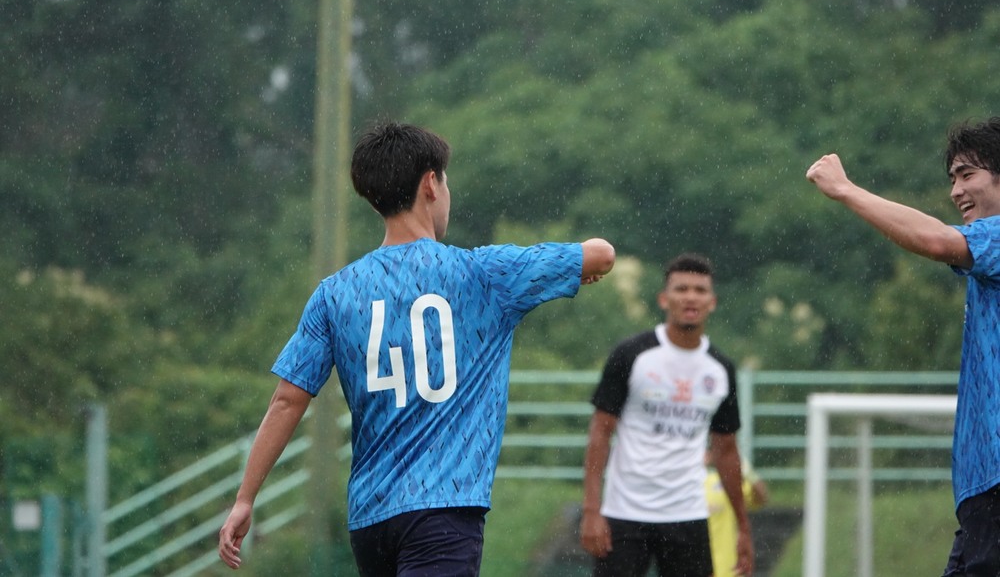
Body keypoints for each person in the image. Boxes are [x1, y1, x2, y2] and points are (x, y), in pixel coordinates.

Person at [217, 121, 616, 575]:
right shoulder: (485, 274)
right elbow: (601, 254)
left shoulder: (335, 293)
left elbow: (287, 400)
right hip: (444, 513)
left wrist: (245, 498)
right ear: (431, 183)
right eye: (445, 182)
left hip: (371, 520)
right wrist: (563, 269)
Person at [806, 117, 1000, 577]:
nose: (956, 190)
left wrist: (846, 190)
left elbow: (935, 239)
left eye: (968, 174)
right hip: (982, 493)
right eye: (952, 178)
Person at [580, 253, 754, 577]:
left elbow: (726, 451)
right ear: (664, 298)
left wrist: (743, 527)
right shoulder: (632, 354)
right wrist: (592, 509)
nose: (691, 297)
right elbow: (600, 433)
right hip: (624, 513)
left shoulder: (720, 369)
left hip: (687, 514)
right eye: (681, 288)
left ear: (712, 302)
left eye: (700, 290)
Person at [705, 451, 768, 577]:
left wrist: (744, 468)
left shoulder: (727, 481)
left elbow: (761, 497)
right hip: (698, 565)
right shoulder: (689, 484)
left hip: (731, 569)